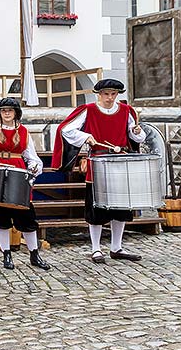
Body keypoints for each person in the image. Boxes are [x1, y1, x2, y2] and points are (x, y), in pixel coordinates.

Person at [52, 79, 146, 263]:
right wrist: (86, 136)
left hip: (120, 162)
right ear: (99, 94)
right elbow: (66, 129)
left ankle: (116, 247)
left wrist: (136, 131)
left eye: (113, 94)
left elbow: (136, 137)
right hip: (97, 162)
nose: (110, 98)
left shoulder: (127, 111)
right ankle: (96, 249)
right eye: (106, 94)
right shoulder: (89, 110)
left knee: (121, 207)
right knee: (96, 208)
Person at [0, 98, 50, 271]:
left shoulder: (23, 131)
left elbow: (30, 155)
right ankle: (6, 254)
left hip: (18, 176)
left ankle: (34, 254)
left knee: (27, 218)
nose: (7, 113)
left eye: (10, 110)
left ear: (16, 112)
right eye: (3, 110)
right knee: (0, 219)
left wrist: (34, 166)